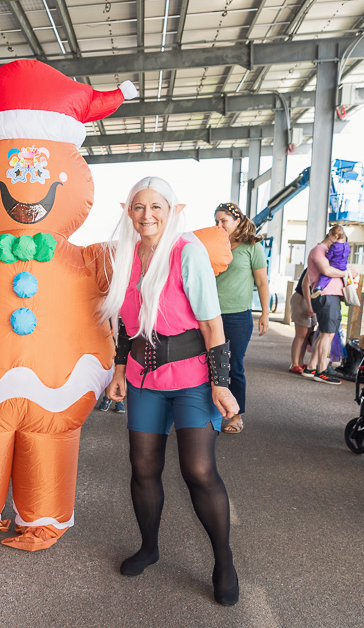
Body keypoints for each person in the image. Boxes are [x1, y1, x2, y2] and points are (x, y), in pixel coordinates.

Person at [102, 177, 240, 606]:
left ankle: (223, 560)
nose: (147, 215)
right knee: (142, 467)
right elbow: (127, 324)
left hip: (192, 378)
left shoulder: (188, 252)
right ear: (129, 211)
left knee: (198, 470)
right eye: (139, 207)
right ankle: (149, 547)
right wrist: (119, 370)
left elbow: (211, 324)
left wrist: (222, 383)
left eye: (156, 207)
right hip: (144, 379)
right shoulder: (125, 254)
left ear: (172, 209)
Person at [213, 202, 270, 434]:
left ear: (237, 221)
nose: (219, 225)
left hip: (237, 316)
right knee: (210, 366)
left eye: (223, 221)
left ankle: (236, 416)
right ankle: (209, 415)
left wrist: (265, 313)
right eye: (216, 221)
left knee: (233, 366)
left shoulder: (252, 246)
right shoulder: (214, 244)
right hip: (210, 315)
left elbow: (262, 282)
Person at [301, 225, 347, 385]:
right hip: (327, 296)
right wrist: (347, 273)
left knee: (324, 333)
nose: (340, 246)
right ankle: (322, 371)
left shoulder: (325, 252)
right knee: (328, 335)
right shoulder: (318, 250)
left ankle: (312, 367)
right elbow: (327, 271)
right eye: (340, 241)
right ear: (334, 236)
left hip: (328, 296)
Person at [288, 268, 315, 374]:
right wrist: (309, 306)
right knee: (301, 334)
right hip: (301, 299)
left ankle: (300, 361)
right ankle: (294, 364)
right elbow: (305, 286)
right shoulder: (313, 267)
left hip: (309, 300)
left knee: (307, 333)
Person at [311, 234, 349, 298]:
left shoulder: (333, 247)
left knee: (325, 277)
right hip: (343, 265)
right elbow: (327, 271)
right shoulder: (346, 246)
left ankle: (319, 287)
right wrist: (347, 273)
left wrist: (327, 255)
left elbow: (329, 257)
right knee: (343, 278)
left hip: (334, 264)